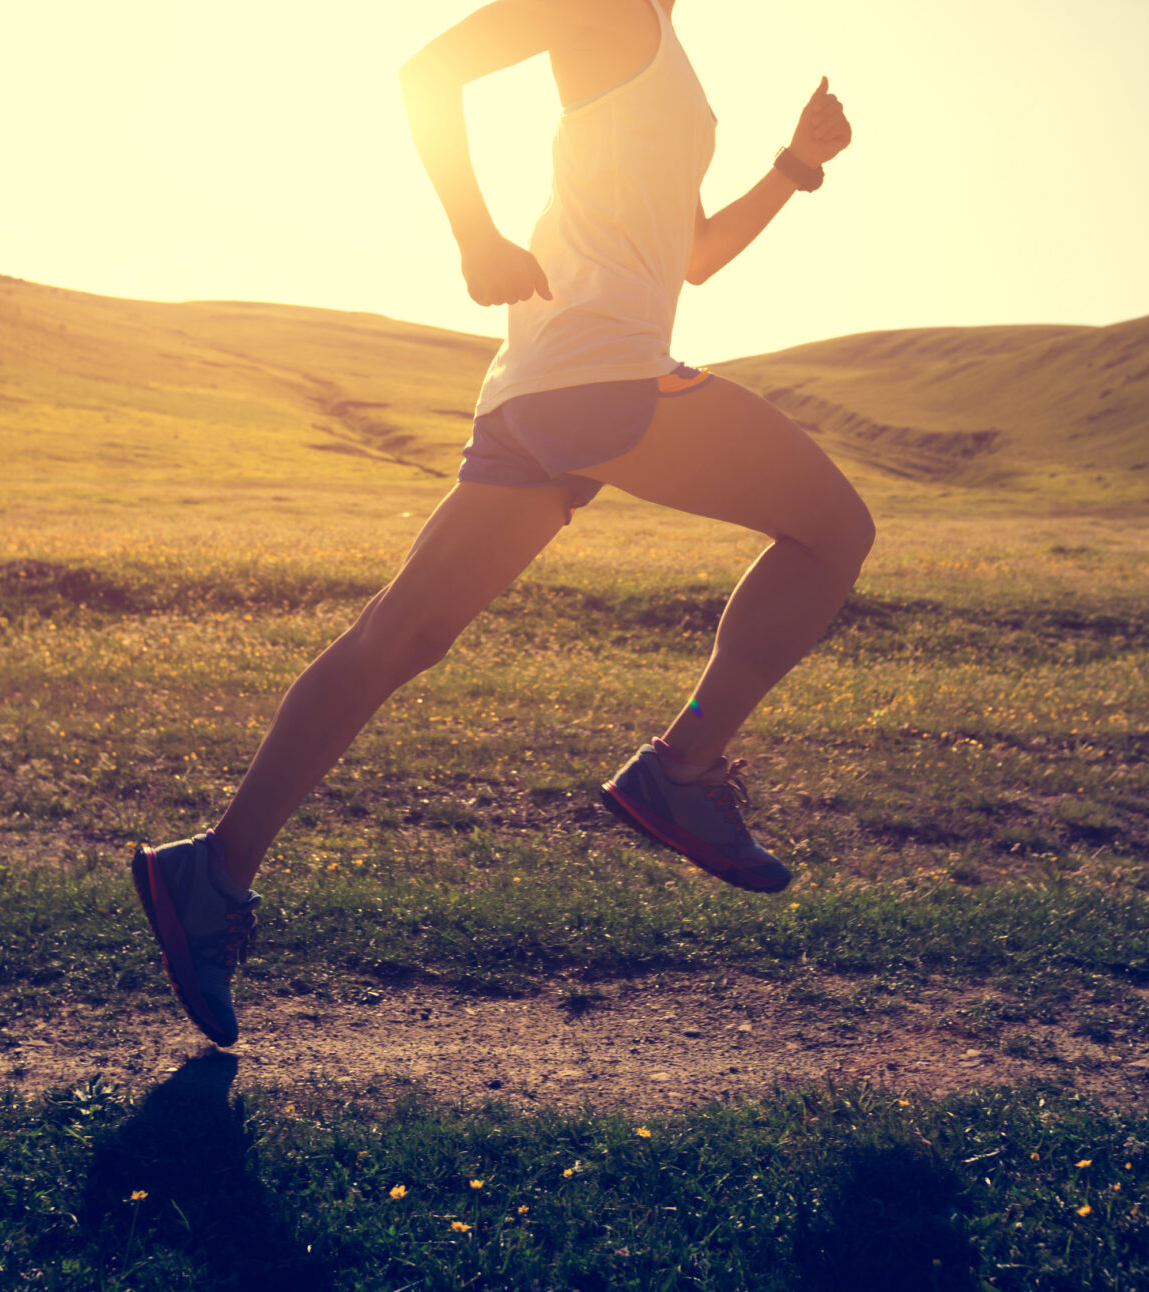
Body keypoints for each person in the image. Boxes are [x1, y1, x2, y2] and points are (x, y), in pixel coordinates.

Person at [133, 0, 868, 1047]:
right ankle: (685, 765)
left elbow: (692, 253)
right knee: (833, 530)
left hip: (540, 388)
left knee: (400, 636)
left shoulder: (662, 50)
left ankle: (210, 872)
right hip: (600, 373)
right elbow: (427, 74)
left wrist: (794, 166)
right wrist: (474, 232)